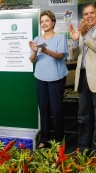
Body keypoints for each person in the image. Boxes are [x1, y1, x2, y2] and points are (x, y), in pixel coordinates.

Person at [29, 10, 68, 148]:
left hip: (56, 78)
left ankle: (59, 139)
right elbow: (32, 60)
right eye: (42, 22)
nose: (44, 23)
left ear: (53, 22)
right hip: (41, 77)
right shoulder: (36, 39)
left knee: (56, 109)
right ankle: (44, 139)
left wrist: (47, 51)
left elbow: (60, 56)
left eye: (46, 21)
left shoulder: (60, 37)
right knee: (43, 109)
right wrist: (34, 51)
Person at [69, 3, 96, 153]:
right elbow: (73, 56)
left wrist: (85, 36)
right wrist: (74, 40)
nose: (89, 16)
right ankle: (83, 150)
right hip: (83, 78)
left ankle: (95, 152)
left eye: (91, 13)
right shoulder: (82, 31)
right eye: (86, 14)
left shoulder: (86, 33)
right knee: (84, 117)